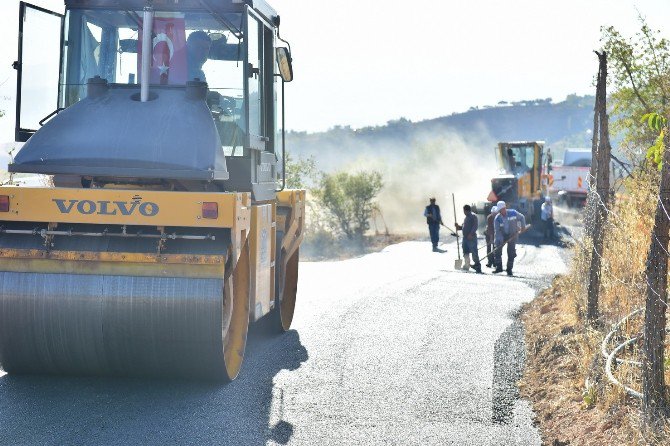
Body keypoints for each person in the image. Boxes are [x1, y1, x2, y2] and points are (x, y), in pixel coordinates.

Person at [493, 200, 526, 276]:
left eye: (502, 210)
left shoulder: (513, 213)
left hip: (512, 234)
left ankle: (509, 269)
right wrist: (500, 241)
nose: (501, 212)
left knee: (511, 252)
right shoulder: (497, 219)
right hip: (502, 235)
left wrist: (523, 226)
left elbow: (522, 217)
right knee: (497, 251)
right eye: (500, 211)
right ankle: (499, 268)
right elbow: (497, 231)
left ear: (505, 208)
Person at [455, 204, 482, 273]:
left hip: (471, 238)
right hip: (465, 238)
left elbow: (475, 226)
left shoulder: (473, 216)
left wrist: (471, 234)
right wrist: (458, 227)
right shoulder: (466, 217)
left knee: (474, 252)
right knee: (465, 252)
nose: (463, 212)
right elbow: (463, 227)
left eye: (464, 211)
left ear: (466, 210)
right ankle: (467, 265)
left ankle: (478, 266)